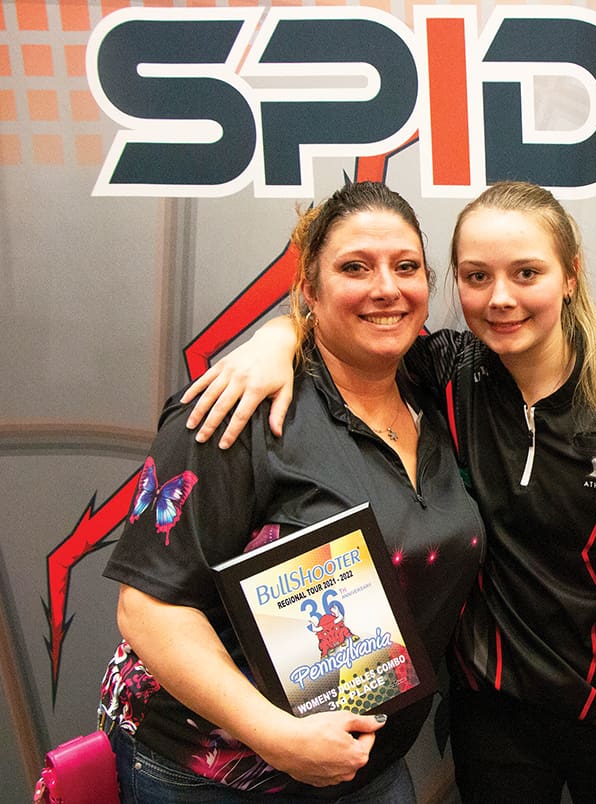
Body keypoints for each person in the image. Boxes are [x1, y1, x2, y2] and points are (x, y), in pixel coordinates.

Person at [183, 181, 596, 803]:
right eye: (476, 277)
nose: (500, 299)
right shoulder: (443, 370)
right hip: (496, 716)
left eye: (527, 273)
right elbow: (347, 331)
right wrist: (276, 339)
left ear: (570, 275)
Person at [97, 181, 484, 803]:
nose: (387, 287)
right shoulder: (237, 410)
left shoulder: (436, 392)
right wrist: (275, 736)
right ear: (310, 288)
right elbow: (147, 609)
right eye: (355, 267)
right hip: (218, 775)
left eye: (406, 266)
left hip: (368, 767)